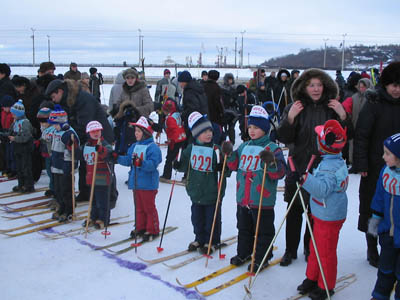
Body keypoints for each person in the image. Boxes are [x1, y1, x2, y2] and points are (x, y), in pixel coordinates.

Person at [277, 68, 353, 267]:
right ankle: (290, 250)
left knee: (315, 212)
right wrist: (290, 118)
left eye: (319, 84)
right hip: (298, 165)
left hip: (322, 170)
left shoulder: (331, 108)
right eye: (312, 85)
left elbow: (347, 136)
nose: (316, 89)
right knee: (294, 210)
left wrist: (343, 115)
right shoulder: (296, 106)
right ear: (304, 86)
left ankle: (310, 249)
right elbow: (284, 138)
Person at [222, 105, 286, 271]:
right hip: (243, 197)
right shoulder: (244, 146)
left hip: (262, 199)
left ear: (265, 129)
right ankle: (244, 252)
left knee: (263, 231)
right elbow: (235, 165)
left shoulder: (272, 148)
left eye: (256, 127)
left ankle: (262, 257)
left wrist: (271, 163)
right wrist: (229, 155)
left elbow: (280, 172)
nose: (251, 130)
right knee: (243, 228)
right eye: (250, 127)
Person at [353, 61, 400, 268]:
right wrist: (361, 163)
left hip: (398, 166)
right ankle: (372, 247)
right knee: (373, 208)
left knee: (396, 207)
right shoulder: (374, 102)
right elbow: (362, 135)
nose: (397, 89)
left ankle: (393, 247)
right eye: (393, 85)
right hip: (375, 165)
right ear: (386, 84)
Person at [296, 120, 349, 300]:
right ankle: (312, 277)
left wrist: (305, 179)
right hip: (322, 214)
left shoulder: (330, 167)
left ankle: (325, 285)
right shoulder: (332, 160)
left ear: (324, 145)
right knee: (315, 247)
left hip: (329, 216)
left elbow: (322, 190)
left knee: (325, 251)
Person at [45, 78, 114, 204]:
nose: (53, 100)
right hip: (86, 137)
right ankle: (86, 193)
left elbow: (84, 124)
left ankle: (110, 196)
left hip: (100, 135)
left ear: (60, 91)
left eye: (53, 96)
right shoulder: (68, 100)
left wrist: (71, 136)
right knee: (86, 166)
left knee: (102, 166)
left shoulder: (82, 99)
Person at [173, 112, 230, 254]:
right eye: (204, 131)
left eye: (210, 130)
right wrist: (177, 164)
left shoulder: (216, 149)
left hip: (212, 192)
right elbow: (184, 165)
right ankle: (199, 238)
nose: (209, 134)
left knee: (212, 219)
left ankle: (212, 241)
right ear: (196, 134)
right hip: (196, 191)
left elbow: (227, 170)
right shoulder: (190, 149)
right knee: (197, 218)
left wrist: (222, 166)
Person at [117, 116, 161, 241]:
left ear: (146, 133)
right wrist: (116, 157)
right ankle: (140, 227)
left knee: (148, 207)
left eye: (139, 131)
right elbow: (128, 160)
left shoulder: (153, 147)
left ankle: (152, 229)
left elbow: (153, 164)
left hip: (148, 183)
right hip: (136, 182)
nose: (135, 133)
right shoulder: (134, 146)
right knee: (139, 207)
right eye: (135, 131)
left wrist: (141, 163)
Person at [369, 133, 400, 300]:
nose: (383, 157)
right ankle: (380, 295)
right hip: (388, 233)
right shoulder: (386, 172)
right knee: (385, 269)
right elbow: (379, 197)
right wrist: (375, 221)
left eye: (388, 153)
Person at [44, 106, 79, 221]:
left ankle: (69, 209)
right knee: (58, 189)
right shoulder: (55, 131)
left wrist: (68, 165)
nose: (53, 126)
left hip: (65, 166)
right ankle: (61, 207)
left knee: (66, 190)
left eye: (55, 124)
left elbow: (73, 150)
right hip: (56, 165)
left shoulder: (69, 133)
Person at [83, 121, 113, 229]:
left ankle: (103, 218)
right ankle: (93, 216)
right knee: (93, 198)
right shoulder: (87, 144)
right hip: (91, 174)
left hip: (102, 175)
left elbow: (109, 154)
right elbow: (82, 156)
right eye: (93, 131)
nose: (96, 133)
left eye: (98, 131)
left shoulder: (104, 144)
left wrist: (101, 150)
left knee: (102, 199)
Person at [341, 78, 374, 169]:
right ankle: (353, 162)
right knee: (353, 144)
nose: (362, 89)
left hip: (368, 126)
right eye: (360, 87)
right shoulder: (354, 97)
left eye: (364, 87)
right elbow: (346, 109)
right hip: (354, 124)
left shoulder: (372, 98)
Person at [9, 100, 34, 193]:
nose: (12, 115)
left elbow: (26, 137)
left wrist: (15, 138)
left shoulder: (25, 122)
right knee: (19, 167)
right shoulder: (15, 122)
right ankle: (21, 184)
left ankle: (28, 185)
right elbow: (10, 131)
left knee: (25, 167)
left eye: (14, 114)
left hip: (25, 148)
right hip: (17, 148)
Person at [177, 71, 208, 141]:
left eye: (180, 82)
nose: (180, 85)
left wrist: (183, 116)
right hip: (202, 119)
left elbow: (192, 108)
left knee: (190, 143)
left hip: (193, 121)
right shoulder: (197, 87)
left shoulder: (189, 91)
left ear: (184, 81)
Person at [159, 99, 186, 181]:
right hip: (182, 137)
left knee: (169, 158)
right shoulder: (177, 114)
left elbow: (174, 129)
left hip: (175, 140)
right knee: (177, 156)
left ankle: (166, 175)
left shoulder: (170, 118)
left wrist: (171, 139)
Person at [37, 107, 56, 200]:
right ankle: (52, 187)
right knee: (49, 171)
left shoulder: (53, 129)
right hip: (46, 153)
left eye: (44, 121)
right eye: (41, 121)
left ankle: (55, 188)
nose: (42, 123)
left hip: (52, 154)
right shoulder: (44, 128)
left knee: (53, 172)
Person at [203, 70, 224, 144]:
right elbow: (218, 103)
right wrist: (222, 113)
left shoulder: (203, 86)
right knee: (216, 134)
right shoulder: (217, 88)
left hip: (204, 114)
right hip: (215, 116)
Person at [221, 72, 239, 145]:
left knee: (231, 127)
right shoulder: (222, 88)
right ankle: (223, 141)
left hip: (233, 112)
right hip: (224, 110)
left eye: (231, 79)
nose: (230, 81)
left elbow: (237, 99)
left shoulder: (235, 88)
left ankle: (232, 142)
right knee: (223, 127)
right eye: (229, 80)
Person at [0, 95, 16, 177]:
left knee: (11, 153)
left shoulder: (13, 114)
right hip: (4, 134)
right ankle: (7, 168)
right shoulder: (2, 113)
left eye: (7, 107)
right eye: (4, 107)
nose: (5, 109)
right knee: (6, 153)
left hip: (11, 134)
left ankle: (13, 169)